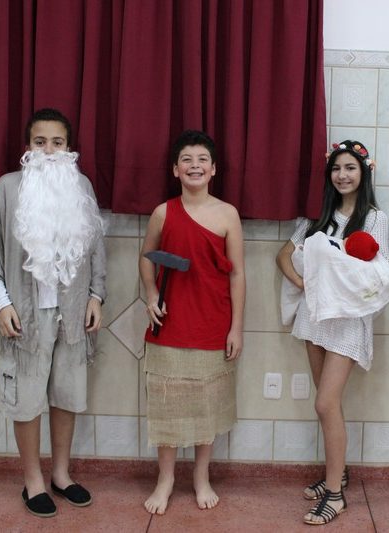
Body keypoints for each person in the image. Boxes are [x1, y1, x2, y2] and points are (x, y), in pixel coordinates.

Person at [0, 108, 106, 518]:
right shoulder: (7, 188)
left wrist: (96, 296)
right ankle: (33, 480)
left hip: (73, 316)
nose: (49, 150)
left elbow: (96, 249)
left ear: (69, 149)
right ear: (27, 147)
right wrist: (1, 303)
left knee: (66, 396)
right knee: (27, 400)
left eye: (57, 143)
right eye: (40, 142)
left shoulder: (80, 187)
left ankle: (61, 475)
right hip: (24, 317)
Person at [276, 140, 389, 525]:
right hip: (315, 318)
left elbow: (379, 272)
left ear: (364, 172)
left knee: (325, 404)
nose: (342, 175)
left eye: (350, 168)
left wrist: (342, 279)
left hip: (347, 321)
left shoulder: (374, 218)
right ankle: (337, 474)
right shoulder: (318, 216)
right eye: (337, 168)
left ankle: (336, 496)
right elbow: (282, 256)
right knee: (328, 404)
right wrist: (305, 284)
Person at [139, 130, 245, 515]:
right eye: (187, 159)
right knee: (166, 405)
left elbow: (238, 274)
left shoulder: (228, 214)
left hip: (213, 324)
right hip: (168, 326)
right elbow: (146, 256)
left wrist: (236, 328)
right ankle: (166, 478)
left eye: (202, 159)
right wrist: (151, 293)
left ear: (214, 169)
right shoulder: (163, 212)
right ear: (175, 169)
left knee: (207, 406)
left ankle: (201, 476)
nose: (195, 165)